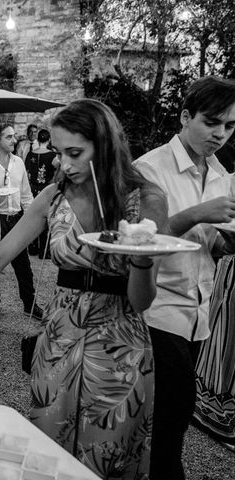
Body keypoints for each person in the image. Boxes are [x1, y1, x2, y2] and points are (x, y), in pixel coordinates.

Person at [0, 99, 168, 479]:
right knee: (49, 449)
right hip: (59, 337)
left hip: (120, 344)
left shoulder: (146, 199)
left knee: (108, 454)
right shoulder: (53, 196)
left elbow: (141, 300)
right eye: (59, 153)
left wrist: (142, 259)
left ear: (106, 145)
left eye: (75, 153)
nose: (64, 164)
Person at [133, 76, 235, 479]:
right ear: (184, 116)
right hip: (157, 311)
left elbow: (208, 246)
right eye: (212, 123)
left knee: (170, 419)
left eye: (230, 126)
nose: (221, 134)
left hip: (200, 312)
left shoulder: (221, 173)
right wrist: (196, 214)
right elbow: (137, 242)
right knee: (172, 417)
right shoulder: (149, 168)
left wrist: (224, 245)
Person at [0, 124, 42, 319]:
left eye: (14, 137)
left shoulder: (19, 162)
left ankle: (30, 304)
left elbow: (27, 195)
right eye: (9, 137)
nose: (14, 141)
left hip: (17, 218)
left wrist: (32, 221)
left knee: (24, 267)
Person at [25, 128, 57, 258]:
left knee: (33, 217)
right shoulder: (52, 156)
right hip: (45, 189)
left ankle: (32, 247)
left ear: (38, 139)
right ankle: (44, 251)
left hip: (32, 188)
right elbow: (59, 169)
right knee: (45, 218)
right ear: (49, 140)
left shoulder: (30, 154)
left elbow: (26, 171)